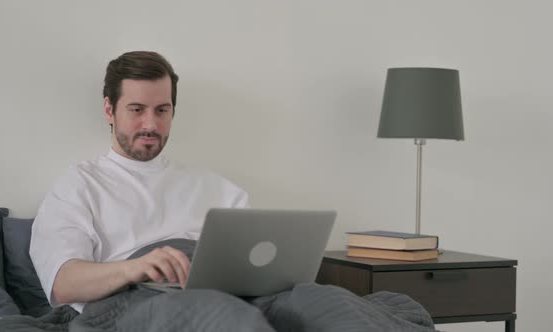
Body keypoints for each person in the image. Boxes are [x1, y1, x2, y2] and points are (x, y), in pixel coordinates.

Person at [29, 51, 435, 331]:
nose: (150, 123)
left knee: (325, 303)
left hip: (234, 293)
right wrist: (136, 267)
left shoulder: (217, 188)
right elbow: (63, 283)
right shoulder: (79, 184)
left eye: (162, 109)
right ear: (109, 109)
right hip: (131, 304)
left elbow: (258, 268)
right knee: (219, 316)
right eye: (136, 110)